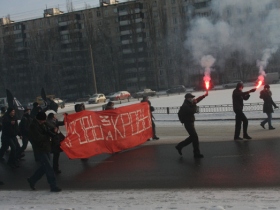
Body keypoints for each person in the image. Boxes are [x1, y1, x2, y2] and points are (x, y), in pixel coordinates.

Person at [27, 112, 61, 192]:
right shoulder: (33, 126)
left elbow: (48, 127)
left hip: (46, 148)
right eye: (43, 120)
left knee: (44, 167)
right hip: (39, 149)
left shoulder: (43, 123)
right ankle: (53, 186)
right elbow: (38, 138)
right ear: (39, 119)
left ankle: (32, 180)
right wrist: (48, 136)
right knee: (49, 168)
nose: (44, 121)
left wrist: (53, 132)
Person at [175, 92, 208, 158]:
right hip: (188, 123)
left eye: (192, 98)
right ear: (187, 98)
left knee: (193, 137)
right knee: (195, 137)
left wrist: (204, 96)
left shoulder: (189, 103)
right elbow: (192, 111)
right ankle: (196, 153)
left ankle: (180, 146)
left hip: (190, 122)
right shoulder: (185, 106)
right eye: (191, 98)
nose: (192, 99)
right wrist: (195, 104)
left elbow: (197, 100)